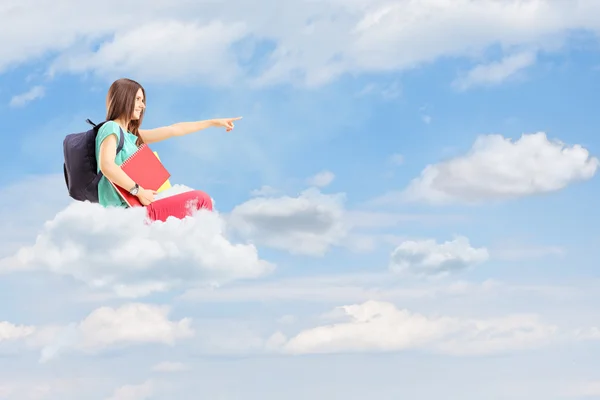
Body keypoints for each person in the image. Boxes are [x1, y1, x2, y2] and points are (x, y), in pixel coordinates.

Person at [95, 78, 241, 222]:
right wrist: (138, 191)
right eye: (138, 99)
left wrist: (213, 122)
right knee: (201, 201)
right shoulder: (110, 127)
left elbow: (174, 129)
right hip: (126, 212)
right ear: (124, 99)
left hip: (138, 206)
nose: (143, 105)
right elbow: (107, 165)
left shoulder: (132, 136)